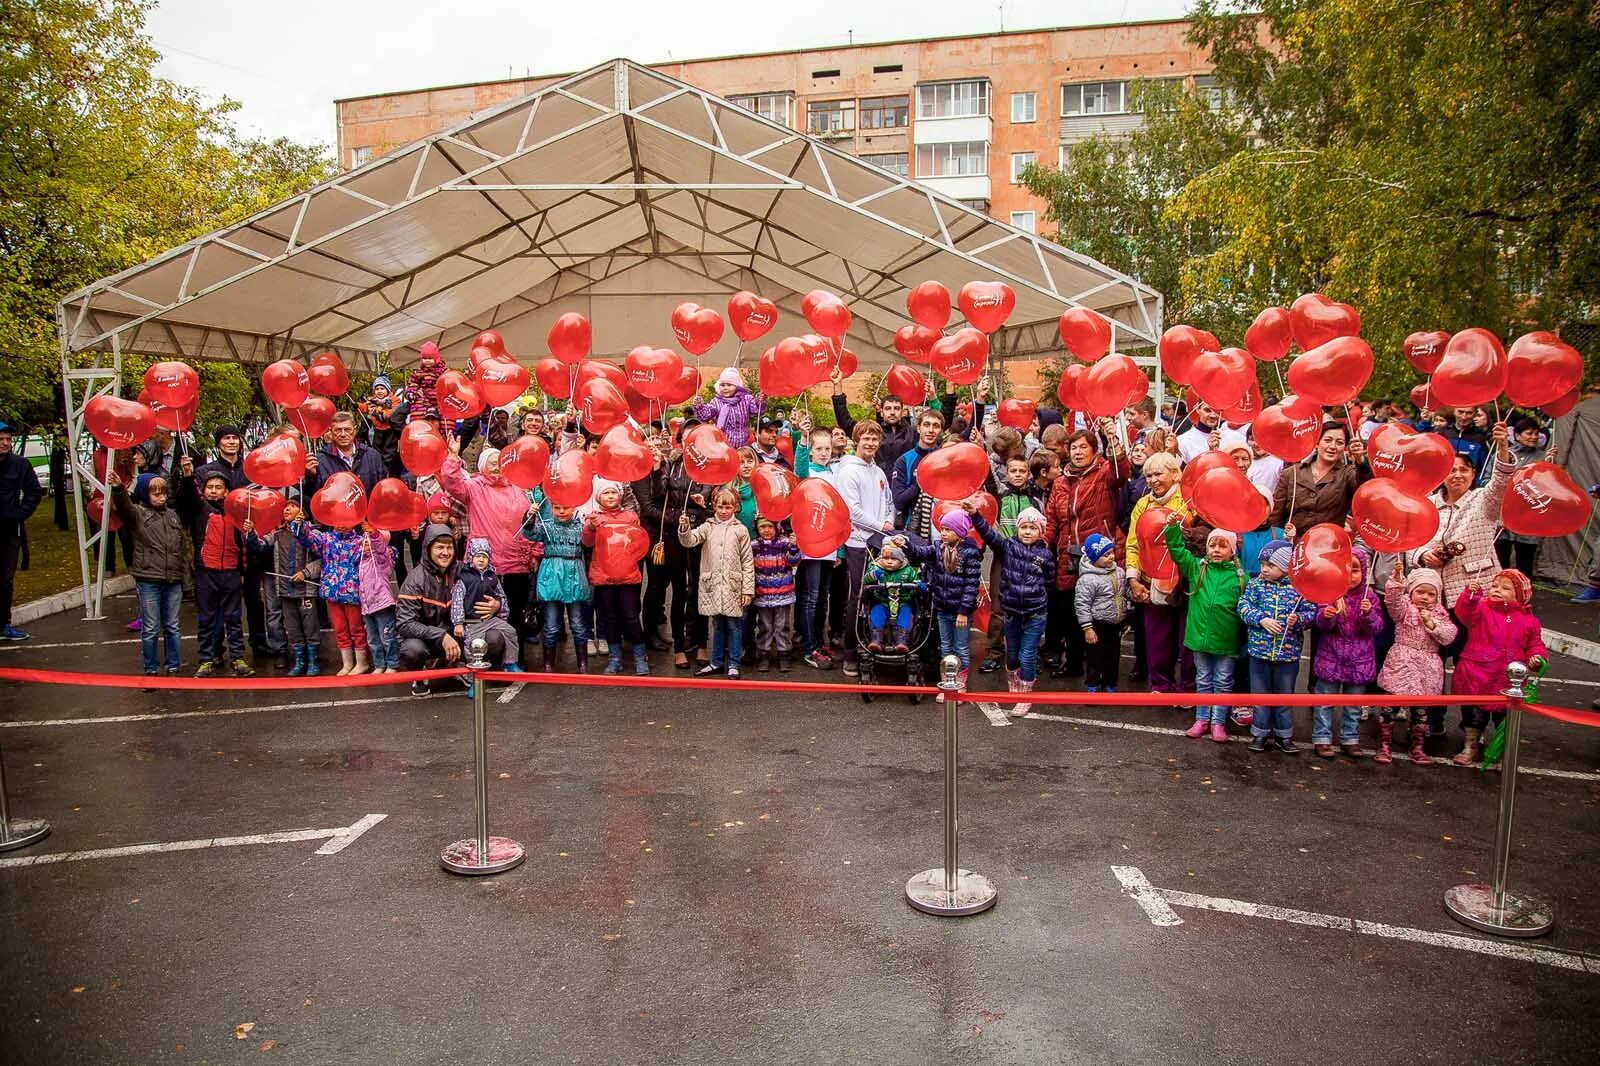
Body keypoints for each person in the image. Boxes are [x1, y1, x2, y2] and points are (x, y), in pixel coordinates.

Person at [1408, 422, 1513, 734]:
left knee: (1474, 663)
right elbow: (1413, 543)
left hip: (1475, 598)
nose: (1456, 475)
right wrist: (1424, 557)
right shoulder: (1429, 504)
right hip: (1435, 599)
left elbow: (1501, 484)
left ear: (1472, 474)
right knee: (1434, 662)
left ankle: (1474, 728)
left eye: (1463, 470)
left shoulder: (1483, 501)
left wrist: (1504, 448)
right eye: (1451, 470)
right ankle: (1432, 722)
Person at [439, 438, 538, 666]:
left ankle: (514, 660)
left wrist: (534, 551)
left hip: (516, 563)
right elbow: (451, 482)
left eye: (500, 461)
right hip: (484, 564)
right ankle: (482, 661)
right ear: (482, 466)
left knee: (514, 613)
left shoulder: (520, 489)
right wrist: (453, 456)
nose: (497, 466)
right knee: (480, 614)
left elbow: (531, 524)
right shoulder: (474, 487)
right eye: (492, 462)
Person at [1043, 427, 1129, 678]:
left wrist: (1114, 440)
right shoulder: (1060, 482)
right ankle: (1072, 664)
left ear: (1093, 450)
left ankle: (1101, 670)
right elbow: (1052, 520)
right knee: (1072, 611)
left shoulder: (1104, 473)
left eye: (1083, 447)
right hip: (1068, 555)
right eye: (1074, 448)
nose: (1078, 452)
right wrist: (1042, 546)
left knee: (1100, 614)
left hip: (1098, 554)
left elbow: (1121, 473)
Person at [1450, 570, 1548, 766]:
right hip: (1477, 672)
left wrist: (1537, 657)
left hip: (1508, 677)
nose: (1497, 590)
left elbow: (1535, 644)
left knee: (1505, 718)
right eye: (1494, 586)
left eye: (1505, 588)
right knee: (1473, 714)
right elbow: (1463, 612)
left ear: (1520, 595)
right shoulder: (1481, 609)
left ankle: (1503, 751)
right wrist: (1469, 595)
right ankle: (1471, 745)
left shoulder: (1530, 621)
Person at [1162, 519, 1246, 743]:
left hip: (1226, 642)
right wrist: (1171, 529)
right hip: (1199, 639)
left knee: (1223, 681)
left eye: (1222, 546)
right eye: (1212, 545)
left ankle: (1218, 722)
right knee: (1203, 679)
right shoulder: (1197, 568)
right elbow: (1178, 551)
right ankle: (1201, 719)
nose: (1216, 550)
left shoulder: (1240, 578)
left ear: (1232, 551)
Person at [971, 506, 1052, 714]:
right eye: (1023, 527)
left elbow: (1049, 579)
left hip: (1035, 612)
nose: (1027, 531)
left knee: (1027, 655)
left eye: (1032, 528)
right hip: (1012, 611)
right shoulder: (1008, 547)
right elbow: (989, 534)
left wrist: (1039, 595)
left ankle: (1025, 695)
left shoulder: (1045, 554)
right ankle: (1014, 685)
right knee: (1013, 654)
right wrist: (975, 514)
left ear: (1040, 531)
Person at [1237, 541, 1315, 753]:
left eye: (1270, 565)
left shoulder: (1300, 589)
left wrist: (1297, 620)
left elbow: (1311, 613)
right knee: (1260, 696)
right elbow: (1243, 606)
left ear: (1286, 566)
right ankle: (1260, 733)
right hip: (1259, 652)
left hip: (1287, 654)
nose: (1264, 569)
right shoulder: (1256, 585)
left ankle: (1284, 735)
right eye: (1263, 564)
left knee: (1284, 696)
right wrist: (1261, 619)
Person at [107, 471, 186, 678]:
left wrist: (185, 578)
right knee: (150, 627)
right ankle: (150, 668)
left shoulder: (173, 516)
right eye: (155, 493)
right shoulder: (138, 514)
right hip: (149, 578)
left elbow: (181, 548)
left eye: (163, 493)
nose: (161, 497)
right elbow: (124, 508)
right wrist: (118, 489)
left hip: (173, 579)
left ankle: (173, 665)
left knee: (172, 626)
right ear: (145, 494)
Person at [176, 467, 253, 677]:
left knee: (234, 618)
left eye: (218, 487)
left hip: (230, 571)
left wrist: (242, 569)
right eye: (210, 487)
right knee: (206, 619)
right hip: (206, 571)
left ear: (227, 491)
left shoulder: (236, 512)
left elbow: (242, 545)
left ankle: (237, 657)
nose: (213, 491)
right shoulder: (200, 509)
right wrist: (187, 475)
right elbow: (189, 494)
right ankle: (206, 659)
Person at [1376, 564, 1456, 766]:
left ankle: (1417, 746)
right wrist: (1396, 582)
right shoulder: (1405, 609)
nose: (1425, 597)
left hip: (1427, 667)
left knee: (1420, 711)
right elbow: (1392, 602)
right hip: (1401, 662)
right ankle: (1385, 745)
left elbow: (1449, 636)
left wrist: (1432, 625)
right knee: (1389, 707)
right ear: (1411, 592)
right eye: (1420, 591)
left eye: (1431, 594)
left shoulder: (1441, 615)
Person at [895, 510, 983, 690]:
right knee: (945, 647)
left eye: (948, 530)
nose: (943, 533)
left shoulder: (969, 553)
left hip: (960, 612)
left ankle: (961, 685)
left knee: (961, 648)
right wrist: (906, 545)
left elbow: (971, 586)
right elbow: (920, 552)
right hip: (942, 608)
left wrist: (964, 612)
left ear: (960, 532)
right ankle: (947, 684)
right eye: (942, 529)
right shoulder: (937, 548)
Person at [1126, 452, 1191, 694]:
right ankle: (1161, 685)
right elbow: (1133, 543)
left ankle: (1188, 688)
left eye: (1158, 473)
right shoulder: (1143, 505)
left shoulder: (1188, 502)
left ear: (1175, 474)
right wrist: (1133, 578)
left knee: (1186, 640)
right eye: (1148, 475)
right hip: (1152, 580)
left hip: (1184, 580)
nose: (1153, 480)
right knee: (1157, 638)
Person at [1309, 548, 1383, 758]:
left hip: (1360, 661)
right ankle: (1322, 738)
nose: (1351, 575)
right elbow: (1320, 624)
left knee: (1354, 705)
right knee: (1324, 701)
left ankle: (1350, 738)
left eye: (1356, 570)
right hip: (1330, 658)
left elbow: (1377, 627)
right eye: (1345, 569)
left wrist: (1368, 615)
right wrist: (1327, 615)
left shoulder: (1370, 597)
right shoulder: (1329, 594)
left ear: (1364, 572)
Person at [835, 420, 893, 677]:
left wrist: (888, 521)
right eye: (865, 439)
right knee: (858, 597)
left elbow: (888, 500)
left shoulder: (878, 471)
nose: (870, 443)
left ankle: (874, 645)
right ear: (856, 441)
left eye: (874, 439)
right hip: (858, 542)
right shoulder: (848, 471)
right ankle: (849, 653)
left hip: (879, 541)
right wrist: (880, 525)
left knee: (878, 596)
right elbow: (852, 512)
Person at [679, 488, 755, 678]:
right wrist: (684, 527)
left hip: (732, 585)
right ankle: (716, 661)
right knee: (718, 625)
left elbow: (747, 561)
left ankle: (734, 663)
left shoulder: (741, 530)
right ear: (714, 506)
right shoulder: (708, 526)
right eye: (720, 506)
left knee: (734, 626)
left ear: (735, 508)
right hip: (713, 584)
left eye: (728, 507)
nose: (723, 511)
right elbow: (690, 541)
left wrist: (747, 590)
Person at [981, 451, 1044, 674]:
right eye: (1013, 471)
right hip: (1004, 555)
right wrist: (981, 450)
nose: (1017, 475)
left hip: (1028, 558)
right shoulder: (1000, 495)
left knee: (1029, 605)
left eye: (1022, 471)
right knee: (998, 605)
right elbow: (988, 479)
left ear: (1028, 474)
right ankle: (994, 652)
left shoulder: (1035, 498)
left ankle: (1028, 653)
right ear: (1006, 473)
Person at [290, 512, 372, 676]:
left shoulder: (360, 541)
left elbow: (381, 551)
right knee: (340, 628)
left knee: (356, 628)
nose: (341, 525)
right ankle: (347, 663)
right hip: (332, 592)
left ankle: (362, 663)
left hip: (352, 592)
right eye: (338, 521)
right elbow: (307, 539)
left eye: (346, 521)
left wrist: (372, 535)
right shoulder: (326, 539)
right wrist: (300, 524)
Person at [520, 488, 591, 673]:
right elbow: (529, 533)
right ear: (551, 508)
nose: (561, 511)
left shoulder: (579, 526)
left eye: (565, 508)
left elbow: (590, 541)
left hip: (574, 578)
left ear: (573, 507)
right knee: (551, 625)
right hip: (551, 579)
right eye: (557, 507)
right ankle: (548, 664)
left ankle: (583, 664)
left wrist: (591, 526)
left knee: (577, 624)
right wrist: (530, 515)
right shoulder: (547, 526)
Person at [583, 480, 649, 676]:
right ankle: (615, 657)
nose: (610, 496)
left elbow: (639, 543)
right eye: (606, 493)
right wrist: (592, 529)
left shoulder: (630, 516)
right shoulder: (594, 518)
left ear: (620, 495)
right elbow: (586, 542)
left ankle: (640, 656)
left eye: (613, 492)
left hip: (627, 574)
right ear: (598, 497)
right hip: (604, 576)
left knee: (631, 616)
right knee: (609, 618)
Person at [1269, 422, 1370, 533]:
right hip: (1292, 543)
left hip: (1330, 544)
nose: (1332, 446)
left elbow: (1364, 491)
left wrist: (1361, 462)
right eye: (1327, 440)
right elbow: (1276, 516)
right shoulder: (1291, 473)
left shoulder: (1348, 474)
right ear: (1317, 443)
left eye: (1339, 443)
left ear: (1345, 447)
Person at [450, 538, 522, 688]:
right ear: (471, 557)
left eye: (484, 556)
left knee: (510, 631)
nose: (481, 560)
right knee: (472, 650)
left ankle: (510, 663)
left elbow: (501, 596)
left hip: (490, 619)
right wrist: (458, 622)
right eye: (477, 556)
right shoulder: (464, 578)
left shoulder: (492, 577)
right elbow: (457, 601)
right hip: (472, 622)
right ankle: (473, 682)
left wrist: (503, 615)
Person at [397, 524, 460, 694]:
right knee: (411, 650)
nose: (445, 553)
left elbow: (485, 586)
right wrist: (440, 635)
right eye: (440, 547)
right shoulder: (414, 580)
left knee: (492, 637)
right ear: (428, 549)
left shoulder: (462, 570)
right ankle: (419, 676)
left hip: (457, 634)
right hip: (427, 639)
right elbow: (404, 623)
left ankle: (459, 666)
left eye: (449, 547)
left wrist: (496, 603)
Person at [261, 499, 322, 676]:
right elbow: (259, 545)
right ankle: (299, 661)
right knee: (293, 627)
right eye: (285, 507)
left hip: (306, 590)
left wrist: (306, 572)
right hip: (285, 589)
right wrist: (249, 534)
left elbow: (323, 557)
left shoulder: (313, 532)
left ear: (302, 510)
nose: (287, 509)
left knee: (310, 626)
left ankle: (313, 660)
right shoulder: (278, 533)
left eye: (293, 506)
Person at [0, 421, 44, 641]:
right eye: (1, 439)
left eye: (8, 439)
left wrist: (19, 514)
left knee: (6, 578)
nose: (6, 443)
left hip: (10, 530)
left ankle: (4, 624)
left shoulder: (20, 464)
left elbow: (35, 491)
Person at [1074, 532, 1128, 694]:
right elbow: (1082, 604)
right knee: (1095, 657)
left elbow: (1123, 592)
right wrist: (1087, 628)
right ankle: (1093, 684)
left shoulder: (1119, 572)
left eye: (1111, 552)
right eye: (1105, 555)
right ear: (1093, 557)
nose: (1111, 557)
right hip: (1097, 624)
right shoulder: (1087, 579)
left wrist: (1135, 595)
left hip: (1115, 623)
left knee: (1113, 656)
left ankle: (1110, 683)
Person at [1495, 416, 1546, 576]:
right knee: (1500, 556)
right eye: (1529, 433)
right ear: (1517, 435)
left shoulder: (1543, 457)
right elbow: (1492, 476)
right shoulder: (1506, 453)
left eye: (1536, 434)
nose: (1533, 437)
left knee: (1525, 558)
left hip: (1529, 514)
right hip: (1504, 512)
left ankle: (1523, 594)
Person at [751, 516, 800, 672]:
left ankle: (784, 653)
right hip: (763, 593)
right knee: (765, 626)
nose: (766, 530)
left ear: (777, 528)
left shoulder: (784, 543)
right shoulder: (754, 546)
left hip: (783, 593)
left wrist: (794, 547)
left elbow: (794, 562)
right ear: (757, 529)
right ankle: (763, 654)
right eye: (762, 527)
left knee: (782, 626)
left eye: (770, 527)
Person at [862, 540, 923, 655]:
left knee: (906, 615)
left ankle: (902, 642)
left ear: (901, 560)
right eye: (886, 558)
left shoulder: (908, 569)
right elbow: (865, 580)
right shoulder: (876, 567)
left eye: (893, 559)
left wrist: (919, 584)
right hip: (882, 601)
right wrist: (874, 575)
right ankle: (876, 640)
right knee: (876, 613)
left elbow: (915, 580)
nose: (889, 562)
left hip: (903, 602)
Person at [359, 527, 401, 674]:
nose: (365, 544)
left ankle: (392, 663)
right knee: (373, 639)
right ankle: (379, 664)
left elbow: (380, 549)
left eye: (368, 542)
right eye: (364, 542)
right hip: (367, 605)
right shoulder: (360, 562)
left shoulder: (383, 560)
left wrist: (374, 535)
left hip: (382, 604)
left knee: (387, 636)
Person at [691, 368, 762, 449]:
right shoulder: (716, 401)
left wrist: (759, 401)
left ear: (737, 386)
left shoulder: (746, 399)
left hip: (743, 445)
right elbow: (705, 415)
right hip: (722, 446)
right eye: (722, 385)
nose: (725, 388)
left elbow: (756, 410)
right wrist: (699, 406)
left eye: (729, 385)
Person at [358, 375, 408, 476]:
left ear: (387, 390)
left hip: (390, 430)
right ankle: (378, 467)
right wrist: (358, 405)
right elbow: (364, 407)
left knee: (389, 452)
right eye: (377, 389)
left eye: (382, 388)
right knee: (377, 450)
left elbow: (393, 412)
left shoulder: (393, 400)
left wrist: (381, 414)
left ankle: (388, 469)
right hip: (378, 430)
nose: (379, 391)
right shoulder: (372, 401)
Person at [403, 342, 446, 425]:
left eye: (430, 358)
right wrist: (411, 393)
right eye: (425, 358)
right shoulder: (418, 373)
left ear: (436, 358)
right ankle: (418, 429)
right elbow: (412, 384)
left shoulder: (443, 372)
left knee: (446, 416)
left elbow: (448, 384)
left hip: (440, 398)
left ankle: (447, 434)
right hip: (423, 398)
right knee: (417, 411)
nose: (427, 361)